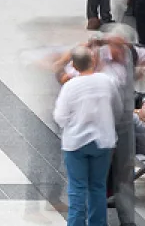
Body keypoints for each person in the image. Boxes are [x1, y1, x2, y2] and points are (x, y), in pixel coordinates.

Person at [53, 45, 117, 226]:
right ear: (93, 61)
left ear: (73, 64)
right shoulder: (107, 81)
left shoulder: (70, 87)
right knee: (98, 186)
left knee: (77, 188)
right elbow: (117, 108)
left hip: (76, 143)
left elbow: (60, 117)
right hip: (103, 141)